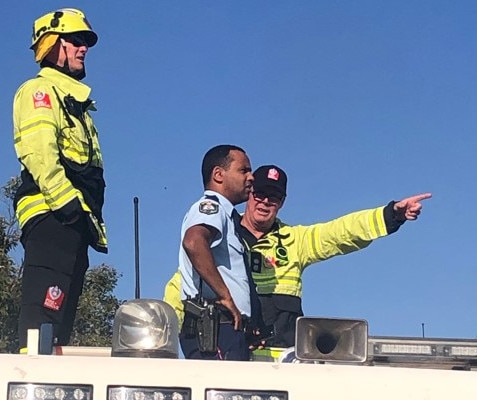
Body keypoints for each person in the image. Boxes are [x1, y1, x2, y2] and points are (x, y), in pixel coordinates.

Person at [165, 164, 431, 348]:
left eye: (274, 197)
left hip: (285, 364)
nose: (265, 202)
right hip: (235, 360)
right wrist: (161, 343)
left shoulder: (296, 241)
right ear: (249, 194)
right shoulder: (222, 238)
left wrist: (391, 214)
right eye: (260, 193)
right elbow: (183, 286)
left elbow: (341, 232)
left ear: (282, 202)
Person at [13, 8, 107, 351]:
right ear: (53, 45)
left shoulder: (76, 103)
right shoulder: (40, 92)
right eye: (76, 41)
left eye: (86, 42)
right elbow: (39, 153)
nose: (84, 48)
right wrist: (67, 205)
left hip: (73, 221)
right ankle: (33, 386)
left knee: (58, 323)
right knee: (43, 319)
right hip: (53, 215)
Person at [178, 144, 255, 361]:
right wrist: (225, 295)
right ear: (218, 175)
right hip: (216, 328)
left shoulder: (229, 217)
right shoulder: (212, 207)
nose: (251, 177)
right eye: (243, 170)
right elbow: (194, 241)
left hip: (228, 329)